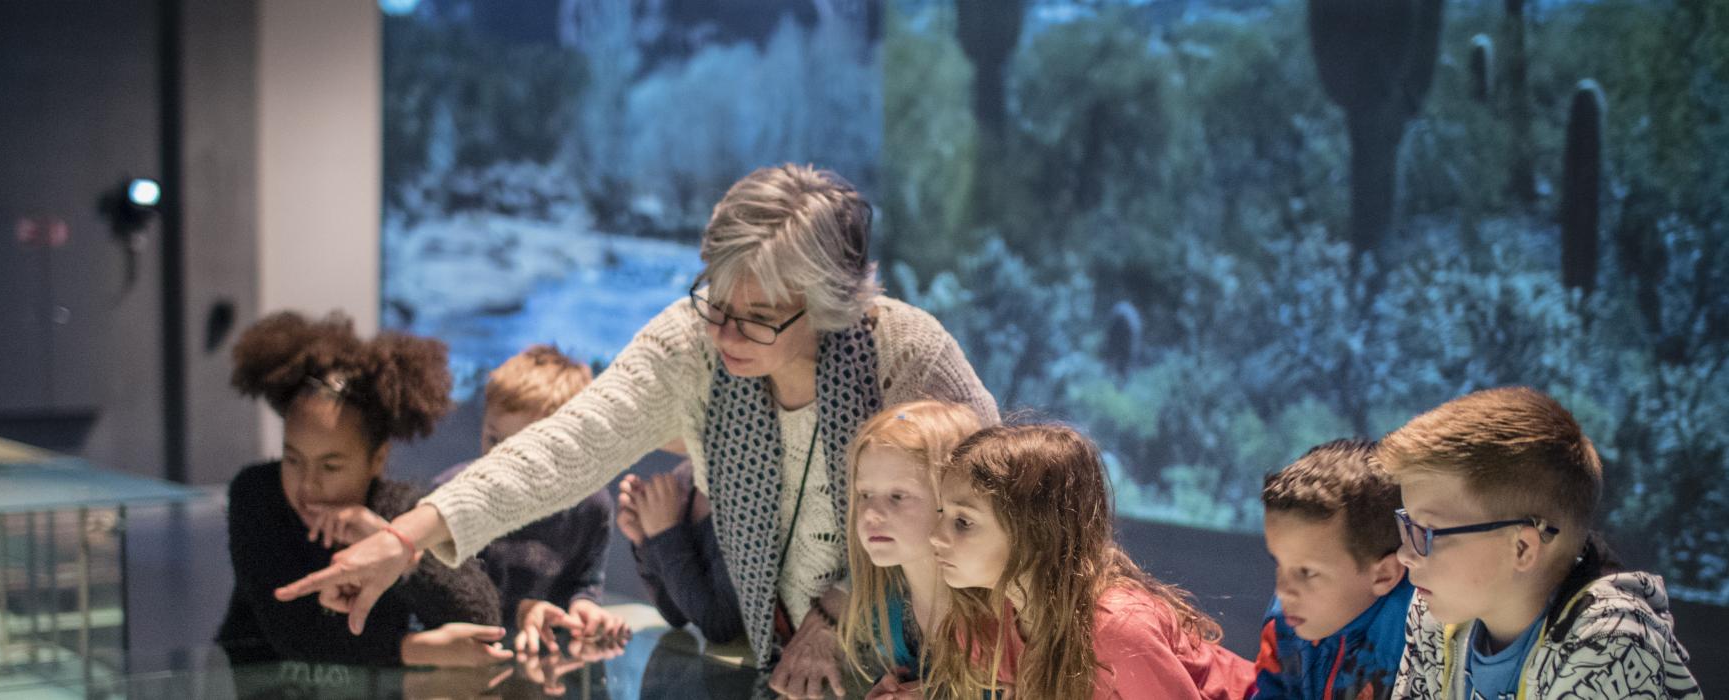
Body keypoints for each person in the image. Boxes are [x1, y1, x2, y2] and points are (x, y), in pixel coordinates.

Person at [277, 164, 998, 698]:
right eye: (716, 298)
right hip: (772, 666)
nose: (725, 331)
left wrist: (843, 613)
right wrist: (403, 540)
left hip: (935, 667)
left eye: (759, 315)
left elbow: (994, 513)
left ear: (831, 303)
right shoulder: (691, 346)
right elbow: (564, 447)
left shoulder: (904, 353)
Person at [216, 311, 508, 667]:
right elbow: (292, 633)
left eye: (331, 466)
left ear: (377, 459)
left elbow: (482, 620)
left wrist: (399, 550)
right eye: (292, 460)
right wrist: (416, 649)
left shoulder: (403, 508)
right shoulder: (259, 497)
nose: (308, 484)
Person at [1380, 387, 1701, 699]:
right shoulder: (1435, 611)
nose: (1405, 554)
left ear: (1522, 548)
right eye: (1408, 525)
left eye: (1429, 532)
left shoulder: (1607, 645)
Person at [927, 424, 1255, 699]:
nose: (935, 537)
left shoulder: (1116, 627)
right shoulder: (999, 619)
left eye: (963, 522)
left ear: (1037, 532)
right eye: (942, 514)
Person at [430, 345, 624, 657]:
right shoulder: (449, 497)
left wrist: (585, 609)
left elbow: (584, 582)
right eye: (494, 439)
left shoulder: (591, 507)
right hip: (464, 660)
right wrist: (520, 611)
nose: (502, 460)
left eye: (525, 449)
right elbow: (441, 598)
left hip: (544, 661)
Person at [838, 401, 983, 696]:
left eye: (897, 496)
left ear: (950, 498)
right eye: (864, 494)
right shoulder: (887, 602)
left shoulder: (998, 611)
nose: (870, 514)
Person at [1253, 439, 1412, 699]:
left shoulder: (1419, 636)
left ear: (1385, 574)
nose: (1283, 592)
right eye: (1279, 564)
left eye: (1307, 572)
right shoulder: (1282, 625)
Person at [616, 460, 743, 644]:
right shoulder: (686, 477)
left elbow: (722, 626)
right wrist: (645, 540)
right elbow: (675, 614)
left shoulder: (736, 480)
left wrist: (665, 534)